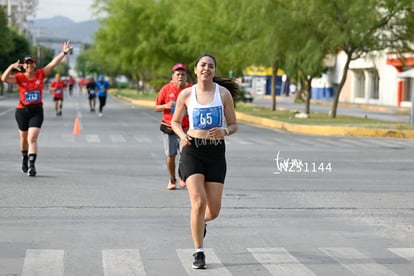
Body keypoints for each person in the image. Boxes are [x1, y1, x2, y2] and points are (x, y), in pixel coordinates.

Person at [171, 54, 239, 269]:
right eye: (203, 65)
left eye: (210, 66)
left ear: (214, 71)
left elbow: (234, 124)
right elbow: (174, 122)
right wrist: (182, 136)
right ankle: (199, 252)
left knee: (213, 211)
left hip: (216, 153)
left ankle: (199, 223)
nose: (206, 69)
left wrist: (225, 130)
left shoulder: (224, 94)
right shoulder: (187, 94)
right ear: (196, 69)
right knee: (198, 203)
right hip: (193, 151)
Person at [0, 41, 72, 176]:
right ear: (24, 65)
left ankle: (32, 166)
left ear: (34, 65)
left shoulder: (40, 74)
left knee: (32, 138)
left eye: (31, 62)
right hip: (22, 111)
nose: (29, 65)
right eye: (26, 63)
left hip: (36, 110)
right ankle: (24, 158)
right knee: (23, 138)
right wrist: (11, 66)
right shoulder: (19, 77)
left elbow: (52, 64)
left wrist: (64, 53)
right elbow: (4, 78)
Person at [155, 63, 192, 190]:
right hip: (169, 127)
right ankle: (172, 179)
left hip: (186, 127)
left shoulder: (191, 89)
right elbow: (156, 107)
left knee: (185, 154)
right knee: (171, 155)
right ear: (173, 76)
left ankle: (183, 176)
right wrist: (165, 106)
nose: (180, 76)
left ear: (186, 76)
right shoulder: (166, 89)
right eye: (178, 74)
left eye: (183, 74)